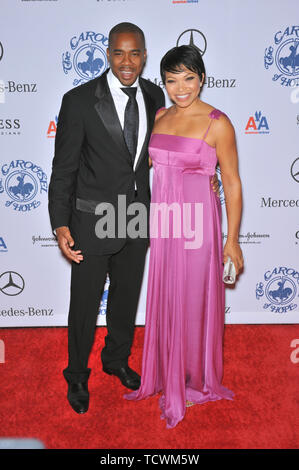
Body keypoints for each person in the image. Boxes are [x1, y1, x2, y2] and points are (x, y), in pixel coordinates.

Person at [48, 22, 166, 414]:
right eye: (119, 53)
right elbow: (63, 168)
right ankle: (77, 375)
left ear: (144, 55)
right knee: (84, 304)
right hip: (91, 220)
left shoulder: (153, 95)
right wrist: (60, 224)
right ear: (108, 53)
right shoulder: (79, 101)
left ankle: (116, 360)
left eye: (134, 53)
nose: (127, 61)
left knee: (125, 298)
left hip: (135, 216)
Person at [125, 45, 244, 429]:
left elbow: (232, 183)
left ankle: (195, 379)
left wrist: (233, 239)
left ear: (202, 78)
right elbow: (146, 164)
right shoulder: (159, 115)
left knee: (194, 297)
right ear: (164, 83)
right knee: (167, 294)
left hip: (198, 226)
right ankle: (165, 372)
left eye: (188, 78)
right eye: (172, 80)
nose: (181, 88)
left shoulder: (218, 122)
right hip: (164, 222)